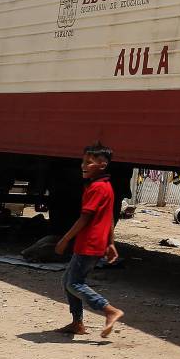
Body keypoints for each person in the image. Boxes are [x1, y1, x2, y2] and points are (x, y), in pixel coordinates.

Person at [54, 144, 124, 337]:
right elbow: (109, 217)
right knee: (68, 279)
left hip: (88, 243)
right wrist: (110, 243)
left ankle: (109, 310)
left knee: (74, 283)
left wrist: (65, 239)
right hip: (96, 243)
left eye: (89, 162)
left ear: (102, 165)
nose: (83, 165)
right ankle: (77, 323)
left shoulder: (97, 188)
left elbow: (84, 218)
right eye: (83, 161)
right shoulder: (106, 186)